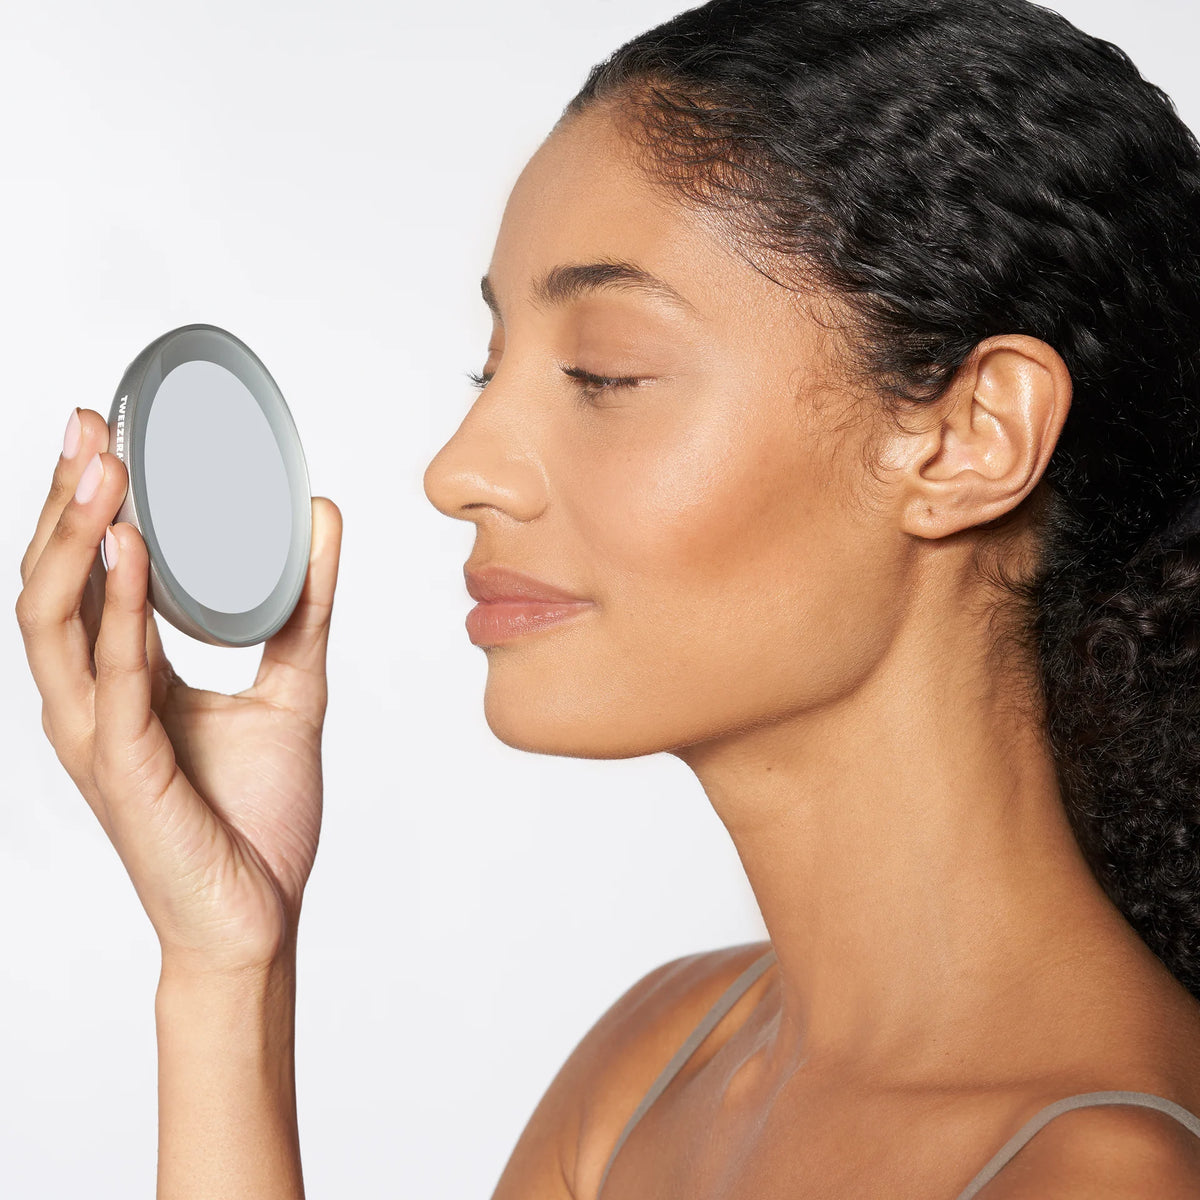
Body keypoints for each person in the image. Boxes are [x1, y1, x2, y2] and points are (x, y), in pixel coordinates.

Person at [16, 0, 1200, 1195]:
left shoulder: (1105, 1172)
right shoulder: (654, 1070)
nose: (457, 469)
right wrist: (228, 965)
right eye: (491, 368)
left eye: (604, 373)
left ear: (968, 438)